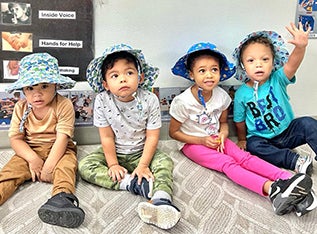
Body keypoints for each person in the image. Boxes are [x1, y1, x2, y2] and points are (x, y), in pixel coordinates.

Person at [169, 42, 317, 217]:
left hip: (216, 138)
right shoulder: (182, 101)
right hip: (192, 144)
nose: (209, 75)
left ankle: (287, 180)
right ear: (191, 74)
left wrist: (224, 133)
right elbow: (173, 133)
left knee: (245, 157)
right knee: (228, 164)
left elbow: (224, 123)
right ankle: (273, 190)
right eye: (202, 71)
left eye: (214, 69)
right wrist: (202, 140)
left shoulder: (222, 96)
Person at [78, 44, 181, 229]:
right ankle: (131, 184)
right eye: (115, 76)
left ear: (140, 77)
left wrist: (143, 165)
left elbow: (152, 136)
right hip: (114, 151)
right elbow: (107, 137)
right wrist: (113, 164)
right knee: (85, 166)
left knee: (165, 163)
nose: (123, 79)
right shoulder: (102, 100)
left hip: (142, 151)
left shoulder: (150, 99)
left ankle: (161, 199)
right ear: (105, 84)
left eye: (129, 73)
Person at [0, 53, 85, 228]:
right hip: (30, 149)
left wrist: (49, 166)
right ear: (23, 89)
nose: (37, 94)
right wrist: (33, 159)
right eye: (30, 88)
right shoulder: (20, 107)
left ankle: (61, 200)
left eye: (44, 86)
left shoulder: (63, 104)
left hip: (60, 149)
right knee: (9, 172)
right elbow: (16, 139)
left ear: (55, 85)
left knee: (67, 168)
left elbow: (63, 137)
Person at [232, 22, 317, 176]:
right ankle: (294, 161)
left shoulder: (278, 79)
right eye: (251, 61)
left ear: (273, 62)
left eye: (265, 59)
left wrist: (300, 47)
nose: (258, 65)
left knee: (308, 123)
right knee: (253, 146)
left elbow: (292, 65)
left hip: (288, 132)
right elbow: (239, 120)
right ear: (243, 65)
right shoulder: (241, 94)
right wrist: (242, 139)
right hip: (263, 139)